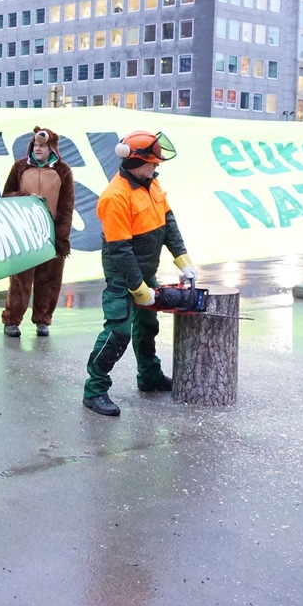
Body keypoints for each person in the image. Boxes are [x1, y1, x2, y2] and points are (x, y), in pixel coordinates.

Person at [82, 130, 195, 418]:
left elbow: (168, 222)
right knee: (118, 332)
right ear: (136, 161)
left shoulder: (152, 184)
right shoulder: (115, 197)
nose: (156, 167)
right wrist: (138, 288)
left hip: (148, 270)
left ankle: (149, 376)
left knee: (147, 326)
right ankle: (95, 389)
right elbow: (120, 251)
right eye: (152, 163)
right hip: (124, 276)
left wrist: (183, 260)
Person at [0, 126, 75, 338]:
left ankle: (43, 320)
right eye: (35, 144)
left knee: (49, 278)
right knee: (20, 280)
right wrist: (25, 196)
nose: (37, 148)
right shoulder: (20, 167)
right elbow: (6, 195)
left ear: (51, 148)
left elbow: (66, 207)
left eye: (42, 145)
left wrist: (62, 238)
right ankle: (11, 320)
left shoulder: (63, 171)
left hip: (50, 234)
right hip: (24, 233)